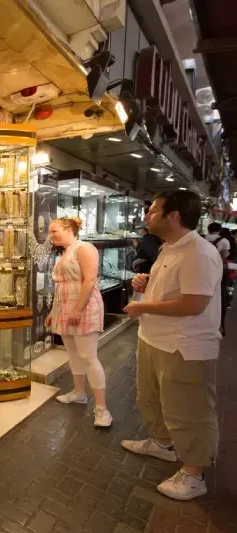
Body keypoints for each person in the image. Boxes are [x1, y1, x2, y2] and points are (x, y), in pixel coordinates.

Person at [122, 191, 221, 501]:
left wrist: (144, 308)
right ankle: (163, 444)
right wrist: (145, 283)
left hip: (184, 346)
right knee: (151, 399)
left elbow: (193, 304)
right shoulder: (170, 248)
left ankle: (194, 474)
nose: (146, 217)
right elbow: (172, 290)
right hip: (154, 340)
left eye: (152, 211)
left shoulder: (199, 253)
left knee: (188, 410)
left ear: (173, 216)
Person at [45, 217, 112, 428]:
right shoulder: (65, 252)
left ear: (68, 229)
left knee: (88, 356)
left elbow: (90, 280)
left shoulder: (84, 247)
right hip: (65, 307)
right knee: (73, 353)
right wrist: (53, 311)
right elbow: (62, 286)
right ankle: (79, 392)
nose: (51, 235)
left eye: (54, 231)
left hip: (82, 307)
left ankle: (102, 409)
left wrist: (78, 309)